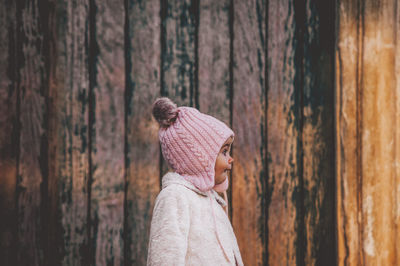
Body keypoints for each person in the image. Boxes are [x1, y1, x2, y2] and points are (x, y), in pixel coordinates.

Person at [147, 97, 244, 266]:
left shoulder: (210, 199)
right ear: (201, 159)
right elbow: (164, 259)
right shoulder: (175, 196)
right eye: (224, 152)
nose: (231, 159)